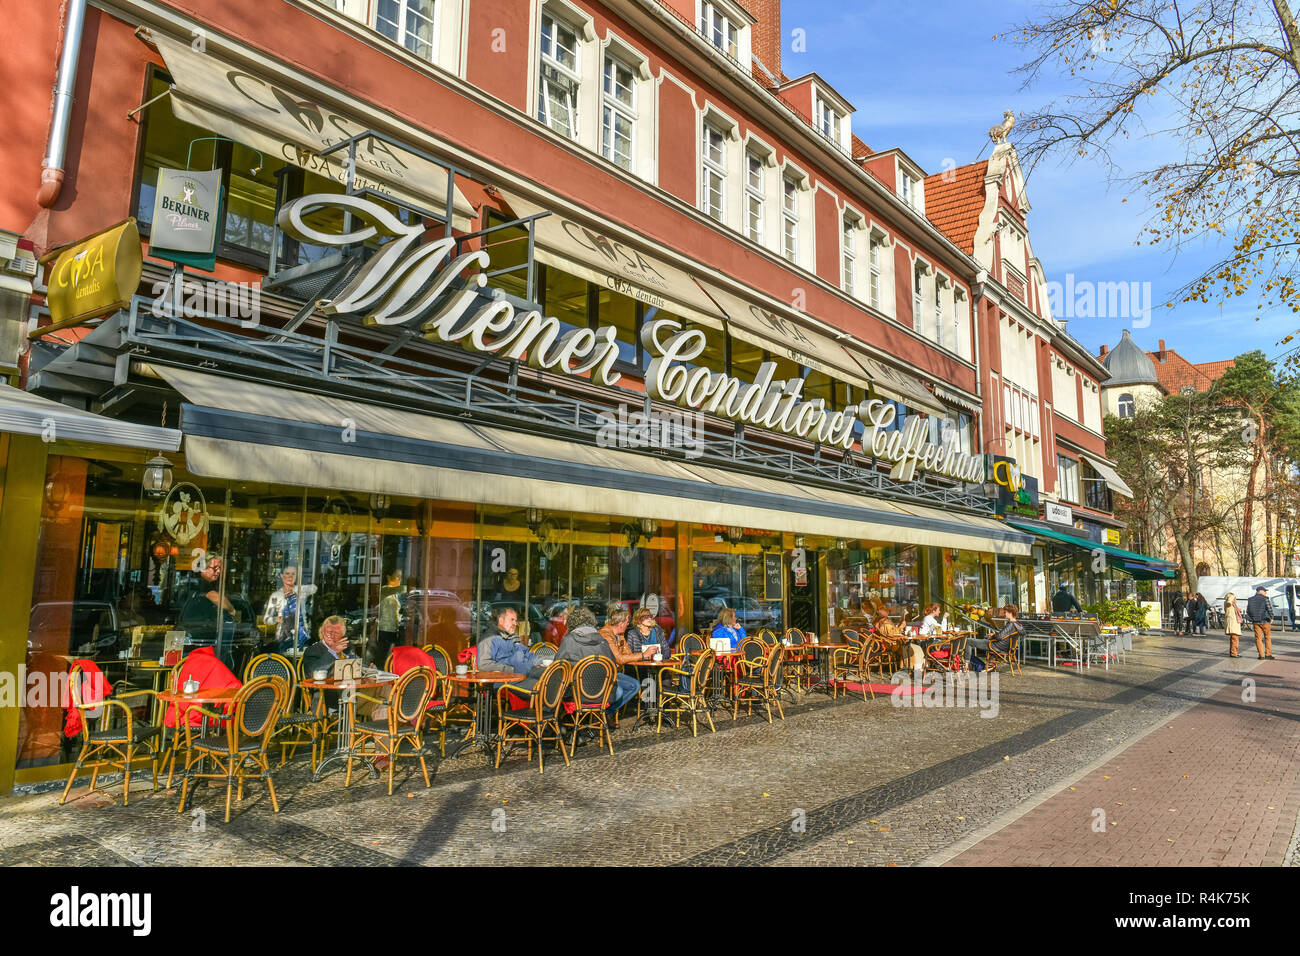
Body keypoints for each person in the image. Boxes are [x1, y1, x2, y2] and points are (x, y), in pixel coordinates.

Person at [557, 606, 644, 716]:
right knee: (621, 690)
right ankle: (602, 716)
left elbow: (558, 667)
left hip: (576, 694)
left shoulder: (569, 641)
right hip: (602, 693)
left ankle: (561, 720)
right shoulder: (603, 640)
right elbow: (613, 667)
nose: (628, 624)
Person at [301, 615, 360, 714]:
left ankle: (387, 725)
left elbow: (357, 664)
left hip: (353, 692)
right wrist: (332, 651)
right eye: (329, 632)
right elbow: (312, 673)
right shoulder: (313, 650)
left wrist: (368, 669)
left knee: (383, 691)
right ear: (322, 632)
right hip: (328, 696)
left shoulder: (348, 647)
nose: (332, 636)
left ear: (343, 634)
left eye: (336, 633)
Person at [476, 607, 543, 677]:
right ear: (501, 621)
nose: (515, 623)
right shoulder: (489, 639)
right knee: (542, 684)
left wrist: (544, 661)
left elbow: (526, 653)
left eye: (516, 621)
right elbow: (484, 665)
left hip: (523, 673)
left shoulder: (509, 637)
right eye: (512, 620)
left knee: (547, 676)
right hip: (506, 680)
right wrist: (511, 670)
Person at [263, 566, 315, 655]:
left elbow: (314, 588)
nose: (290, 577)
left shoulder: (302, 591)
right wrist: (277, 619)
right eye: (287, 574)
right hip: (283, 638)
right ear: (282, 576)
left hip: (302, 637)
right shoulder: (276, 595)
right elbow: (266, 619)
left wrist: (294, 589)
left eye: (293, 574)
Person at [376, 569, 405, 660]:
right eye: (397, 576)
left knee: (389, 657)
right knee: (383, 656)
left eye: (401, 577)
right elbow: (402, 589)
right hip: (384, 630)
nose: (399, 579)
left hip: (393, 630)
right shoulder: (385, 590)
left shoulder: (395, 595)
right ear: (388, 577)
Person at [1244, 585, 1275, 660]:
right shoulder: (1265, 599)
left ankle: (1261, 655)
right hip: (1265, 621)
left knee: (1258, 639)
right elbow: (1269, 609)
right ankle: (1268, 654)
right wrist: (1272, 617)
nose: (1265, 593)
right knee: (1267, 638)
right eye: (1265, 591)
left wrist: (1252, 618)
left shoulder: (1250, 599)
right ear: (1260, 591)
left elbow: (1248, 611)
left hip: (1255, 622)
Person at [1224, 591, 1243, 658]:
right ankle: (1234, 653)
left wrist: (1238, 610)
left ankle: (1233, 652)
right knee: (1234, 638)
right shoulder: (1228, 603)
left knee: (1234, 638)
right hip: (1232, 623)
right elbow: (1229, 602)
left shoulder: (1232, 604)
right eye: (1234, 598)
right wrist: (1232, 597)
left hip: (1234, 623)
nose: (1235, 599)